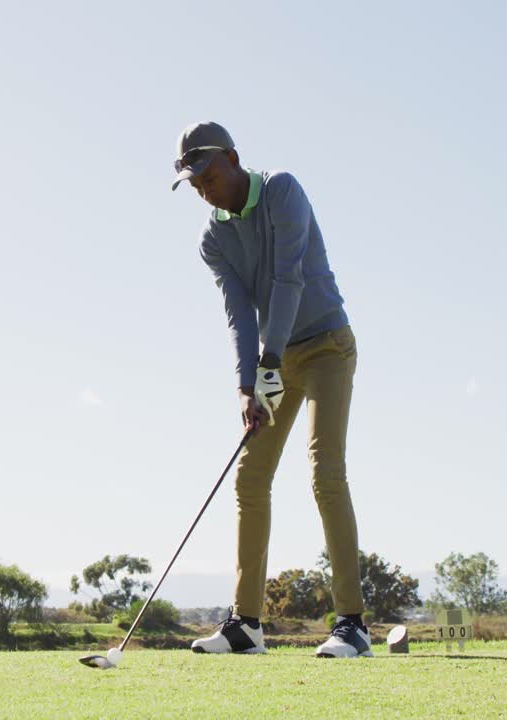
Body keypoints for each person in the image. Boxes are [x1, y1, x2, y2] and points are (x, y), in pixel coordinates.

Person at [172, 121, 371, 658]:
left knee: (325, 472)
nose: (205, 191)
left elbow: (289, 279)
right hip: (273, 361)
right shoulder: (213, 239)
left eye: (209, 177)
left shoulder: (283, 190)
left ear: (234, 159)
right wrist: (246, 385)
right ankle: (246, 624)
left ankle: (352, 624)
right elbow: (239, 314)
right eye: (196, 186)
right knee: (251, 476)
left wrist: (269, 363)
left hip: (327, 346)